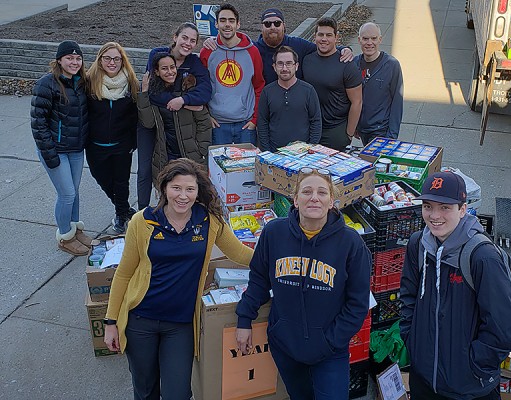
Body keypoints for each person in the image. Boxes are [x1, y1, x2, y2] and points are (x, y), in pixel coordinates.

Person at [103, 158, 253, 400]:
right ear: (164, 188)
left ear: (198, 192)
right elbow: (123, 274)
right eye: (176, 188)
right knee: (145, 390)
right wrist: (110, 322)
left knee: (178, 393)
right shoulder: (142, 221)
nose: (183, 196)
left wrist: (278, 259)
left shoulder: (209, 221)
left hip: (180, 324)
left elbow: (239, 253)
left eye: (190, 189)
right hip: (141, 320)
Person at [235, 168, 371, 399]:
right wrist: (244, 319)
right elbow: (258, 278)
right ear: (296, 200)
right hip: (285, 345)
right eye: (306, 191)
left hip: (330, 350)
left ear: (331, 202)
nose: (314, 197)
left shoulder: (351, 243)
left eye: (322, 192)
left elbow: (358, 303)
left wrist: (331, 340)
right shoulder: (273, 233)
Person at [399, 171, 511, 400]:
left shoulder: (482, 257)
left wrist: (474, 366)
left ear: (462, 209)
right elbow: (408, 296)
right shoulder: (417, 245)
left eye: (445, 207)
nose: (435, 215)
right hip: (424, 379)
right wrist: (412, 340)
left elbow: (503, 328)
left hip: (469, 387)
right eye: (428, 206)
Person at [137, 22, 211, 210]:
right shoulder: (158, 55)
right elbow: (152, 92)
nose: (187, 43)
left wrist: (184, 101)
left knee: (188, 173)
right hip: (156, 122)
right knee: (147, 170)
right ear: (175, 37)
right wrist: (184, 102)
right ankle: (143, 212)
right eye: (184, 37)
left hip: (180, 127)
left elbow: (205, 92)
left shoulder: (193, 62)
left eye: (193, 40)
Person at [31, 40, 93, 256]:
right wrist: (49, 154)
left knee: (74, 192)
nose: (74, 62)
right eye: (69, 58)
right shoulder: (46, 84)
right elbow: (38, 124)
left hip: (75, 149)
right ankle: (65, 236)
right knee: (66, 194)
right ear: (59, 60)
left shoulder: (81, 83)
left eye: (78, 58)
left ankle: (75, 229)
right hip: (55, 149)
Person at [86, 42, 139, 234]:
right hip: (95, 146)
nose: (112, 62)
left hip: (121, 145)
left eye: (116, 58)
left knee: (121, 182)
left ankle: (120, 215)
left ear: (122, 61)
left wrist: (133, 142)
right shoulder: (89, 83)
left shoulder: (131, 83)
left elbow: (136, 116)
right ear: (100, 60)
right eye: (107, 58)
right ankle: (125, 210)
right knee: (103, 180)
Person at [138, 53, 212, 185]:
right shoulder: (153, 94)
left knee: (193, 191)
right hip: (167, 153)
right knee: (170, 191)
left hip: (191, 152)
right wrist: (144, 93)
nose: (170, 72)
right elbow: (148, 123)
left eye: (172, 67)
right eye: (164, 68)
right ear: (157, 71)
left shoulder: (188, 89)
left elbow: (204, 122)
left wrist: (201, 148)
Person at [199, 3, 265, 146]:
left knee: (248, 167)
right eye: (222, 20)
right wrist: (206, 115)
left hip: (245, 124)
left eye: (231, 20)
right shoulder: (207, 51)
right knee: (218, 168)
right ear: (216, 24)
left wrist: (254, 120)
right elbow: (200, 86)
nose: (227, 24)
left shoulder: (252, 52)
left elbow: (259, 86)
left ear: (238, 24)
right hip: (218, 124)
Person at [302, 17, 363, 152]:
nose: (324, 39)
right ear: (315, 37)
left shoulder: (347, 65)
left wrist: (349, 133)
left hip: (336, 131)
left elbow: (357, 102)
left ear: (336, 37)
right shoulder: (307, 60)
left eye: (329, 35)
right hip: (310, 129)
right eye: (321, 34)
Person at [257, 46, 321, 151]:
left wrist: (311, 148)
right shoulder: (267, 92)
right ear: (274, 66)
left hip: (303, 154)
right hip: (275, 153)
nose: (284, 68)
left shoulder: (308, 91)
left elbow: (316, 121)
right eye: (280, 64)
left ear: (296, 66)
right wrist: (267, 151)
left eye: (289, 63)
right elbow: (262, 123)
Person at [354, 22, 404, 146]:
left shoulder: (392, 65)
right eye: (365, 39)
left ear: (380, 40)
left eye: (374, 38)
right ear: (359, 40)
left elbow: (397, 102)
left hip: (381, 131)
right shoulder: (354, 64)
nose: (369, 42)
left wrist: (392, 135)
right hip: (362, 130)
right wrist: (354, 125)